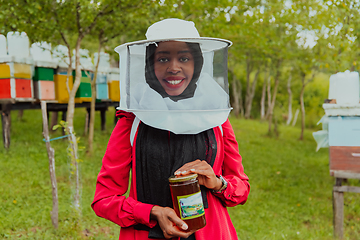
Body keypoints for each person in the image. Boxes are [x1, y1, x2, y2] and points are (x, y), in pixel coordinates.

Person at [91, 18, 250, 240]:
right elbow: (103, 199)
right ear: (150, 65)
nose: (174, 67)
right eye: (163, 58)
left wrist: (217, 182)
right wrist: (152, 212)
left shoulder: (216, 118)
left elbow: (241, 187)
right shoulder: (132, 119)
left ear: (197, 65)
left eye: (184, 58)